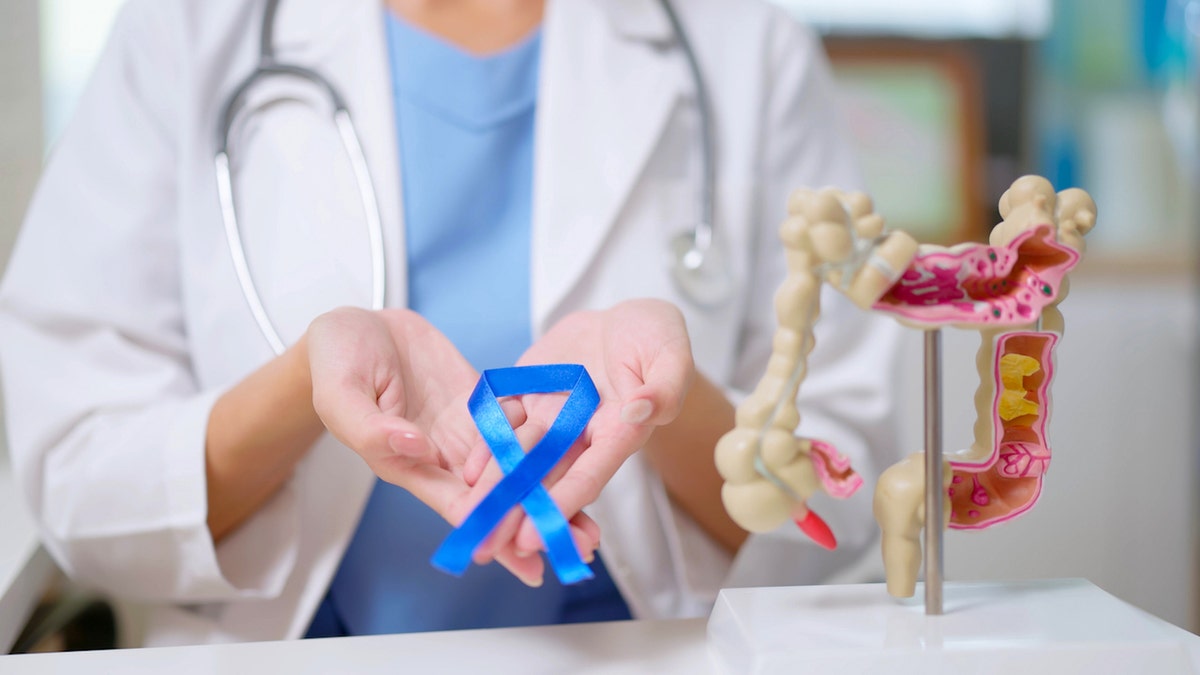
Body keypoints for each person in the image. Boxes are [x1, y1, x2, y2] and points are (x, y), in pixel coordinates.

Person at [0, 0, 903, 646]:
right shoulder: (186, 29)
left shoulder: (747, 44)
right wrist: (306, 385)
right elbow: (78, 470)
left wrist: (667, 402)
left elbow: (844, 495)